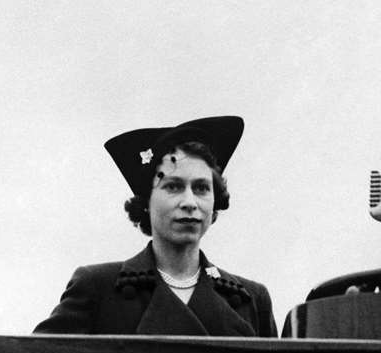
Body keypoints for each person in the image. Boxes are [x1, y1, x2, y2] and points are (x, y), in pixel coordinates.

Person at [35, 115, 278, 336]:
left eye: (202, 188)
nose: (189, 202)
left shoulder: (251, 299)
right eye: (173, 186)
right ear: (146, 202)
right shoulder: (99, 287)